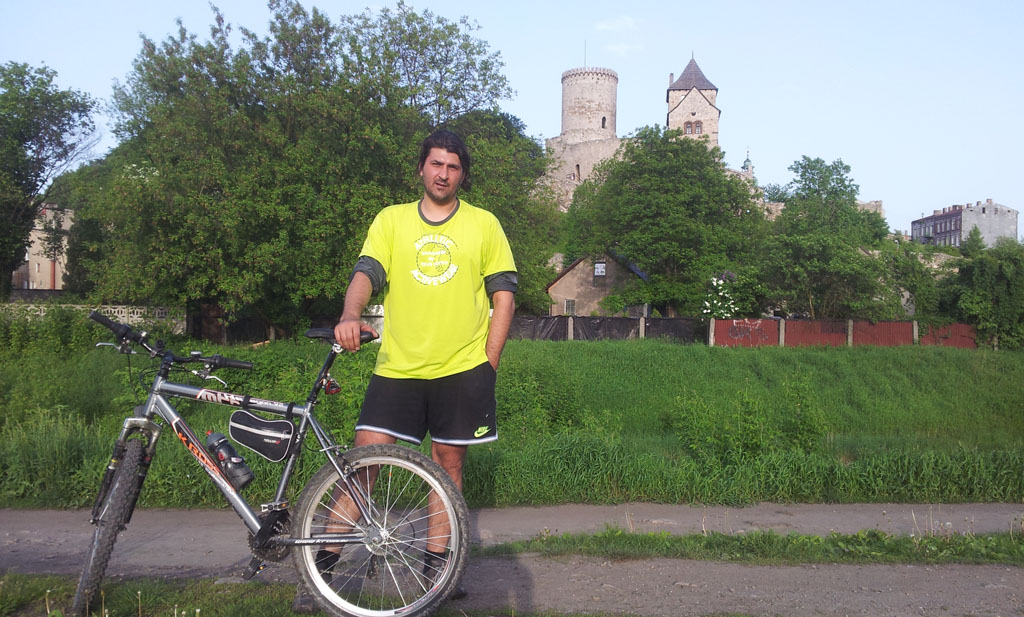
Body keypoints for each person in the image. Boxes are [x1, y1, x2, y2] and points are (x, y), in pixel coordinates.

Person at [333, 129, 517, 599]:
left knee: (447, 467)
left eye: (453, 167)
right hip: (398, 367)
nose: (443, 174)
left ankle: (437, 577)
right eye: (436, 164)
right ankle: (319, 566)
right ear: (421, 169)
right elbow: (366, 273)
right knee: (364, 463)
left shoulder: (484, 224)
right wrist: (351, 315)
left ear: (462, 175)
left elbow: (504, 296)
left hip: (462, 368)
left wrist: (488, 364)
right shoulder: (391, 220)